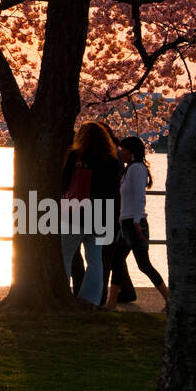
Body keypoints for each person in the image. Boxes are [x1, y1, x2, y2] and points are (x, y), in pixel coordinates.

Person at [60, 121, 119, 306]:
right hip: (101, 215)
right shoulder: (111, 159)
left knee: (65, 255)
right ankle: (90, 300)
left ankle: (62, 294)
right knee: (95, 260)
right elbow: (113, 191)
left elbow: (63, 184)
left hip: (75, 214)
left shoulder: (74, 156)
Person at [106, 136, 169, 310]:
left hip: (135, 224)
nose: (120, 152)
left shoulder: (137, 169)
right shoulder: (130, 169)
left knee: (143, 264)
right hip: (126, 224)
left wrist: (135, 222)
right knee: (118, 261)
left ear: (131, 151)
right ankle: (111, 303)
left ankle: (171, 299)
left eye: (123, 149)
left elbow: (140, 198)